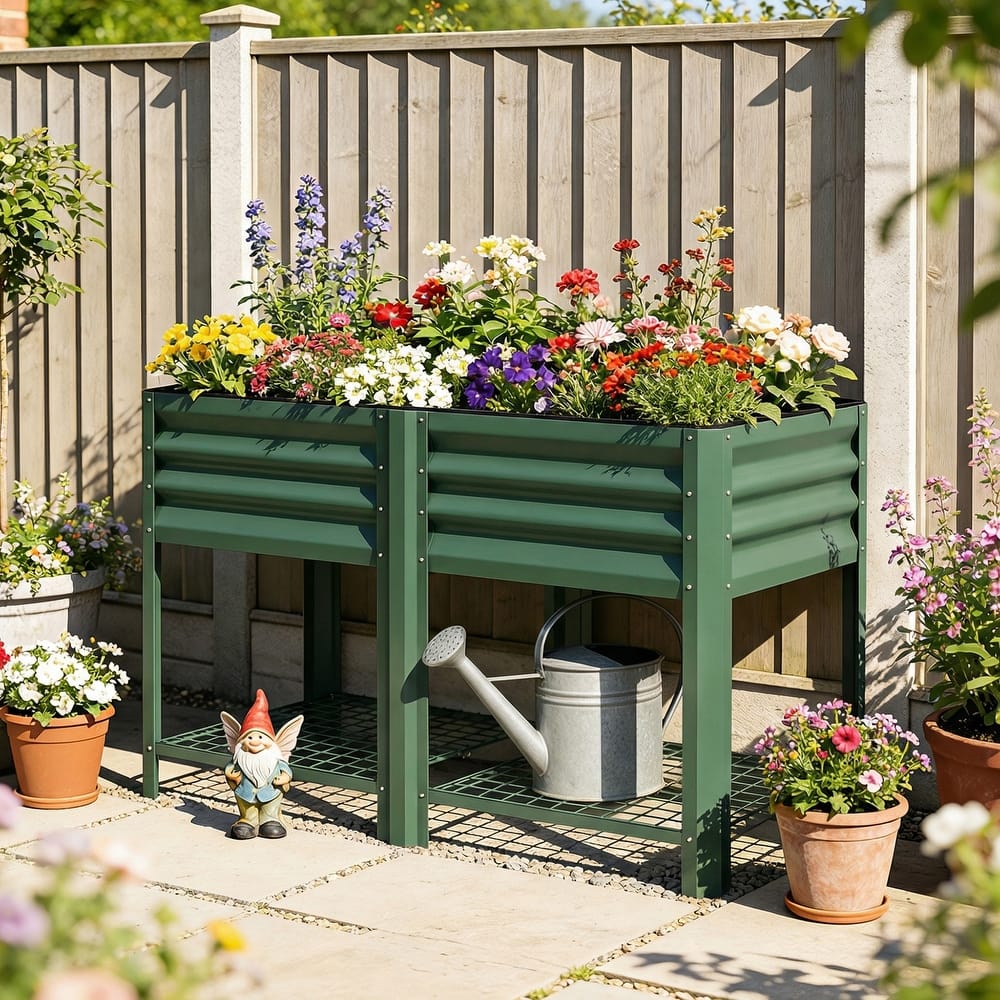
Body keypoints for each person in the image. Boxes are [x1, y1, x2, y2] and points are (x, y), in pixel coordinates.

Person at [220, 689, 304, 840]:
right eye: (249, 737)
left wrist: (285, 778)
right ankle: (247, 821)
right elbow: (230, 768)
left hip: (271, 793)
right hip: (245, 794)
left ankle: (270, 820)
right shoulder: (241, 758)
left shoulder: (273, 759)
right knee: (247, 810)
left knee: (270, 808)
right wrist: (229, 773)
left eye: (260, 736)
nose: (254, 741)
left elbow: (286, 771)